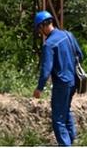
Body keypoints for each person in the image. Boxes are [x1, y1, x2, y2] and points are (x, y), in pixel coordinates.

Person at [33, 10, 83, 147]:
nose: (39, 31)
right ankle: (72, 141)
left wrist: (39, 88)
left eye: (39, 28)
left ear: (43, 26)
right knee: (66, 111)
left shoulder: (48, 44)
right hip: (73, 81)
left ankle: (65, 145)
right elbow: (80, 55)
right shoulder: (68, 35)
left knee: (58, 119)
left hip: (61, 84)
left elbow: (46, 70)